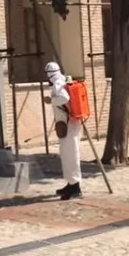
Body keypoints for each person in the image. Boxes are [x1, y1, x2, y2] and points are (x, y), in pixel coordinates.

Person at [44, 61, 82, 200]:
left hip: (68, 125)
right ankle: (71, 184)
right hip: (68, 124)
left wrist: (51, 101)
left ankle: (75, 187)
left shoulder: (58, 83)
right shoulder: (63, 80)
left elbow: (65, 97)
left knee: (70, 155)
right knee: (67, 154)